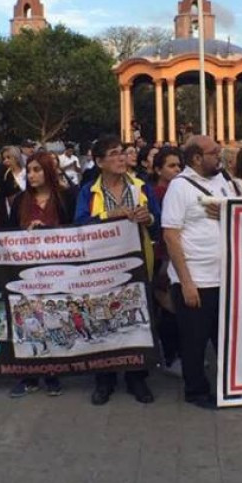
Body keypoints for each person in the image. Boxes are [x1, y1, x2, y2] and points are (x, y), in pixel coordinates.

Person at [74, 135, 160, 405]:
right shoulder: (89, 191)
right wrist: (109, 216)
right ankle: (105, 378)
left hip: (136, 263)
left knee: (136, 317)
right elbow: (78, 226)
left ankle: (137, 376)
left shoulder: (141, 186)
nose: (121, 158)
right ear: (99, 162)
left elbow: (158, 223)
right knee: (102, 319)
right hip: (101, 267)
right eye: (113, 153)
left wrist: (149, 218)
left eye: (122, 152)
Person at [161, 135, 233, 409]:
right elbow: (171, 236)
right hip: (195, 279)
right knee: (195, 340)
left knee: (222, 337)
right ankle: (196, 390)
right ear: (196, 158)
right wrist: (186, 282)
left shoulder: (222, 181)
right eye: (214, 152)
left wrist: (226, 212)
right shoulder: (179, 188)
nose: (220, 156)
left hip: (223, 275)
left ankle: (226, 385)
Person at [6, 151, 77, 398]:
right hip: (27, 273)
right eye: (30, 170)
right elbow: (8, 235)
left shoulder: (65, 198)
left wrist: (49, 232)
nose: (32, 175)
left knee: (53, 318)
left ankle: (53, 373)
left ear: (48, 171)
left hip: (58, 271)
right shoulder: (19, 201)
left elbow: (75, 231)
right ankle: (28, 375)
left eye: (37, 169)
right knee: (29, 320)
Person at [150, 147, 183, 376]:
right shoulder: (156, 193)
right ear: (158, 169)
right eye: (171, 166)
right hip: (163, 256)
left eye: (179, 165)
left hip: (182, 255)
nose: (177, 170)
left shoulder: (182, 190)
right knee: (168, 307)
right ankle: (170, 355)